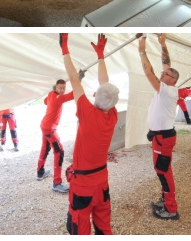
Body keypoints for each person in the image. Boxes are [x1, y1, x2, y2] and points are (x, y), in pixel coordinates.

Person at [60, 33, 120, 235]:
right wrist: (100, 56)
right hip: (101, 182)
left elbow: (73, 78)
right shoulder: (112, 115)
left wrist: (65, 48)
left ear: (96, 97)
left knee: (78, 227)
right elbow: (102, 82)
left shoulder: (87, 112)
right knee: (103, 226)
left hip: (83, 186)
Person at [139, 33, 180, 220]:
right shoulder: (166, 86)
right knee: (161, 170)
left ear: (173, 80)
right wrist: (163, 44)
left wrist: (142, 51)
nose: (163, 74)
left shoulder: (167, 90)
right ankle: (165, 200)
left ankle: (171, 209)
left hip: (163, 138)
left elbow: (149, 73)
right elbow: (166, 63)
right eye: (164, 73)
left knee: (163, 172)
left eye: (166, 74)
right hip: (160, 136)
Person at [37, 78, 74, 193]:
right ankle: (56, 183)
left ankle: (40, 172)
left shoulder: (51, 94)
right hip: (50, 128)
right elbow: (73, 94)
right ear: (56, 87)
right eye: (60, 88)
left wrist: (52, 96)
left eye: (64, 88)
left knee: (45, 147)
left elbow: (45, 101)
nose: (62, 90)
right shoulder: (59, 98)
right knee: (59, 151)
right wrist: (79, 80)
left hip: (44, 125)